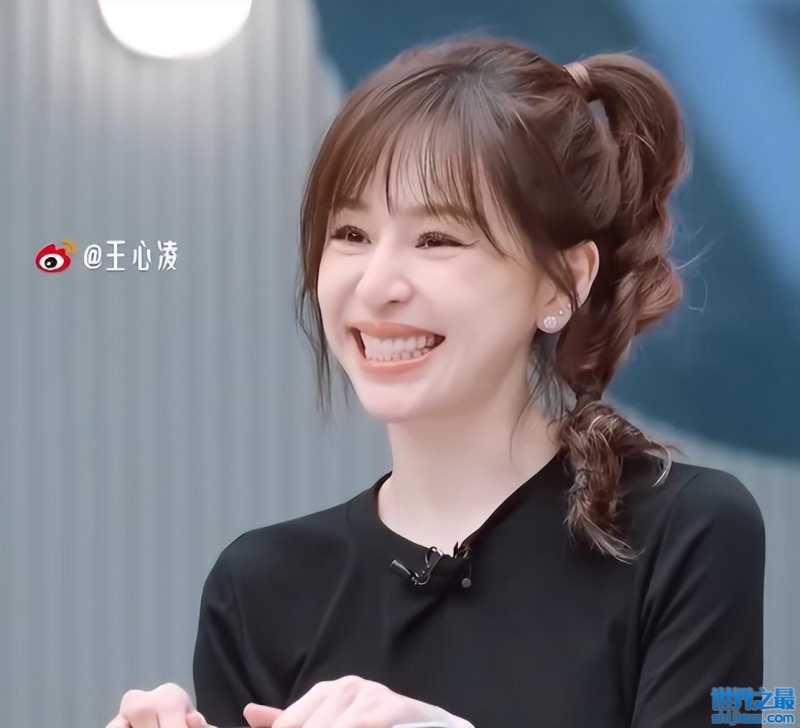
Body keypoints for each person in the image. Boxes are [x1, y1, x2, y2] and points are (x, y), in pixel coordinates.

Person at [106, 32, 765, 728]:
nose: (376, 285)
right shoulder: (260, 587)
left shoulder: (688, 531)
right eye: (350, 234)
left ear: (563, 282)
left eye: (437, 240)